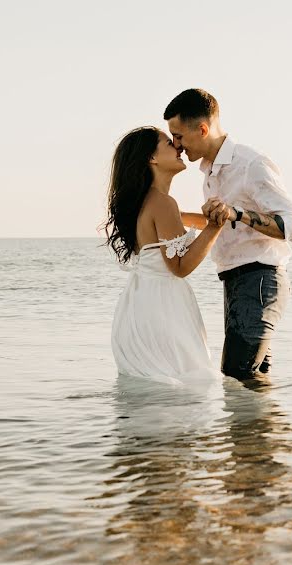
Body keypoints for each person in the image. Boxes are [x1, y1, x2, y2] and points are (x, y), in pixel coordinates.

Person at [165, 89, 292, 381]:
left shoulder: (250, 164)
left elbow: (291, 224)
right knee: (253, 381)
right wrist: (168, 215)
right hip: (235, 282)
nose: (176, 145)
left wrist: (238, 213)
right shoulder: (210, 172)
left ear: (202, 129)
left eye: (178, 136)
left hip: (260, 280)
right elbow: (222, 222)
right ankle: (259, 428)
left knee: (237, 375)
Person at [103, 126, 223, 384]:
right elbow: (180, 266)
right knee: (184, 387)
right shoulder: (163, 203)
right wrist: (216, 226)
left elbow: (182, 222)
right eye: (169, 143)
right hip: (163, 308)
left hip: (140, 306)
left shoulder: (147, 202)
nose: (178, 147)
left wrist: (228, 216)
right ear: (152, 158)